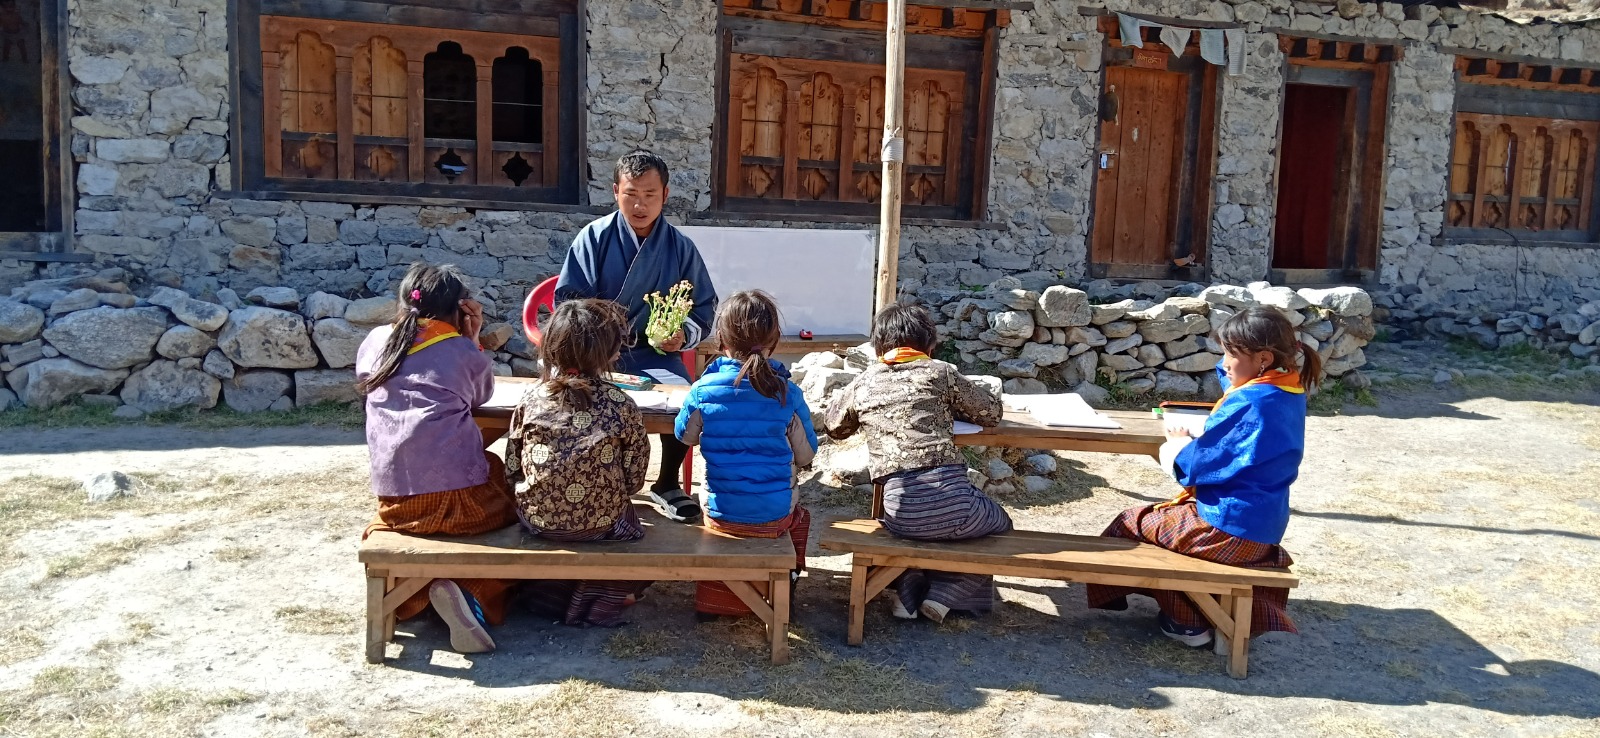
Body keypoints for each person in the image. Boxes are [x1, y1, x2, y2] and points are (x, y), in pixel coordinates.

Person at [1084, 305, 1317, 647]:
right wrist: (1234, 363)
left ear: (1263, 358)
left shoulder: (1251, 403)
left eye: (1229, 356)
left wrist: (1178, 445)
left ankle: (1188, 622)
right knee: (1160, 523)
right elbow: (1236, 381)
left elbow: (1194, 466)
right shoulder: (1286, 386)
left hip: (1226, 529)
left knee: (1131, 524)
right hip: (1261, 526)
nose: (1223, 364)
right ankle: (1195, 612)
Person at [357, 263, 515, 655]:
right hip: (462, 505)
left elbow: (366, 380)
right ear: (461, 309)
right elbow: (480, 396)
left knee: (396, 526)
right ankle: (468, 591)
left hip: (397, 505)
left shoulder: (377, 340)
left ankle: (420, 595)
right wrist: (472, 338)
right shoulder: (460, 350)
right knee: (514, 504)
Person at [556, 150, 718, 524]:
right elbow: (568, 303)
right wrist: (597, 341)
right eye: (631, 194)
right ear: (615, 191)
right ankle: (588, 477)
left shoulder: (680, 247)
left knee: (684, 400)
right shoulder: (592, 239)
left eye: (649, 194)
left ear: (665, 193)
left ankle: (666, 482)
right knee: (575, 400)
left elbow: (704, 306)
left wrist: (681, 335)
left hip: (654, 356)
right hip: (595, 356)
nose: (640, 204)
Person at [825, 303, 1012, 622]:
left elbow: (834, 426)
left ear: (878, 346)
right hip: (957, 505)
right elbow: (990, 413)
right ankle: (947, 591)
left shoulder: (866, 381)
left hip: (899, 513)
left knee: (918, 533)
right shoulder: (940, 372)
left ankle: (908, 594)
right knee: (1001, 525)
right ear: (929, 343)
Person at [504, 299, 653, 627]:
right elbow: (634, 477)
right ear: (609, 354)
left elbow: (512, 466)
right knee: (633, 521)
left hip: (538, 521)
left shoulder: (530, 399)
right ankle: (600, 593)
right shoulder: (620, 403)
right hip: (601, 526)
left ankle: (552, 592)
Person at [675, 291, 816, 620]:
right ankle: (784, 585)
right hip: (773, 515)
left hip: (720, 513)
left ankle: (717, 602)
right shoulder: (787, 393)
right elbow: (807, 454)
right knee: (799, 515)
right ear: (774, 340)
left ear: (720, 339)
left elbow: (685, 436)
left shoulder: (703, 390)